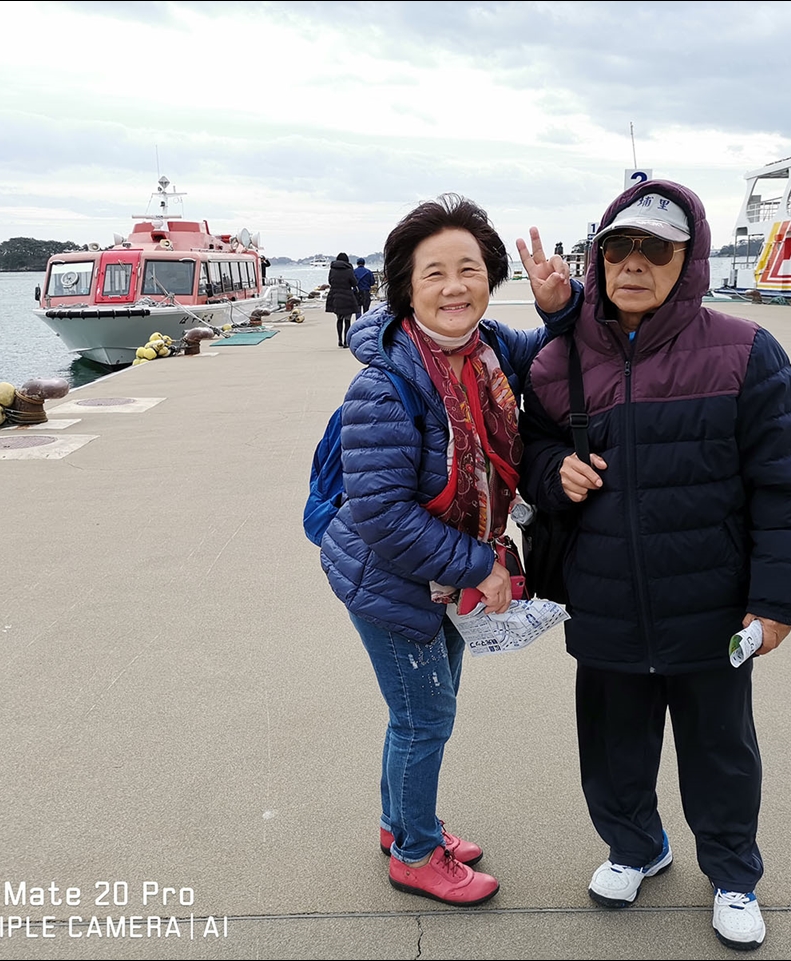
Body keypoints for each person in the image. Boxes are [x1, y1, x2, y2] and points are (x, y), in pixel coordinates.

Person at [517, 183, 791, 951]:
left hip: (712, 604)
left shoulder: (747, 350)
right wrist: (553, 470)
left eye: (656, 248)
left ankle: (732, 873)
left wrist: (780, 598)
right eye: (619, 246)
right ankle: (635, 846)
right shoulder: (560, 357)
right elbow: (526, 450)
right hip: (604, 598)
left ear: (688, 261)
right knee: (612, 742)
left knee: (721, 748)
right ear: (599, 256)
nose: (634, 263)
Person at [319, 194, 571, 907]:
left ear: (490, 278)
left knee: (421, 710)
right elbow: (383, 515)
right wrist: (482, 565)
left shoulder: (489, 346)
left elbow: (560, 347)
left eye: (469, 268)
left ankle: (399, 821)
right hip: (393, 581)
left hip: (436, 576)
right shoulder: (385, 384)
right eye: (434, 273)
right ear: (406, 287)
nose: (454, 286)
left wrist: (560, 301)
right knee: (425, 716)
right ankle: (416, 852)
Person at [326, 252, 361, 347]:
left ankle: (339, 340)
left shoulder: (332, 269)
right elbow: (354, 282)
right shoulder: (349, 270)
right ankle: (346, 341)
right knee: (347, 320)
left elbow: (329, 281)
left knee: (339, 319)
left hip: (335, 295)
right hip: (347, 295)